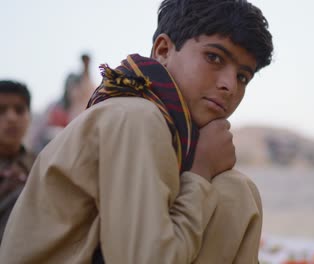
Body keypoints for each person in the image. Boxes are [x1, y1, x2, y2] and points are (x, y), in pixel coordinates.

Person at [0, 0, 273, 263]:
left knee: (236, 191)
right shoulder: (136, 117)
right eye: (214, 57)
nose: (229, 85)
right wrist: (201, 172)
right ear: (163, 50)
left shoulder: (172, 134)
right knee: (231, 192)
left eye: (242, 77)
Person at [0, 80, 35, 243]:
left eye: (19, 110)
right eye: (1, 110)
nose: (11, 118)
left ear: (29, 116)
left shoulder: (42, 165)